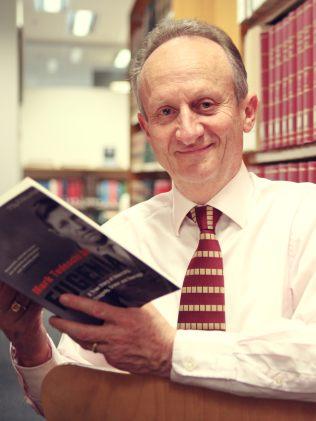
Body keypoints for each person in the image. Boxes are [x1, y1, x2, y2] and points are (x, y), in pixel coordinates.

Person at [1, 18, 316, 414]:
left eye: (205, 105)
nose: (187, 131)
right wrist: (30, 343)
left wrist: (171, 352)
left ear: (247, 111)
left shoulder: (308, 218)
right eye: (166, 112)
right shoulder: (114, 241)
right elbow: (77, 400)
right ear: (147, 131)